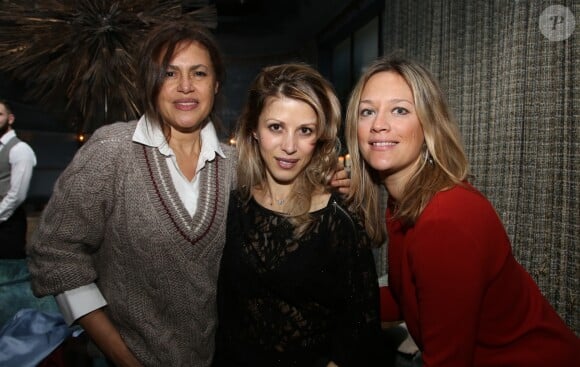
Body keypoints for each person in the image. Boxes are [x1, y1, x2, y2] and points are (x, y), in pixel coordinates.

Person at [26, 22, 350, 367]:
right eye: (169, 73)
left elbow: (290, 200)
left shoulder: (237, 166)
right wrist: (122, 357)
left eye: (198, 73)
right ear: (151, 83)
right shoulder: (111, 151)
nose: (185, 87)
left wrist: (329, 178)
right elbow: (55, 255)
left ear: (216, 84)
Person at [344, 55, 580, 366]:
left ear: (429, 124)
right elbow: (410, 301)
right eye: (367, 111)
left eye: (399, 110)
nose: (378, 125)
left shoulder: (445, 218)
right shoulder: (404, 202)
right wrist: (332, 299)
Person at [213, 63, 386, 367]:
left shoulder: (339, 220)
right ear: (254, 128)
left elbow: (360, 331)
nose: (289, 147)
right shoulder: (229, 208)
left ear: (319, 137)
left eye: (304, 130)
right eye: (276, 127)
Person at [0, 99, 37, 259]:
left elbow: (17, 195)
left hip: (8, 225)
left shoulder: (20, 149)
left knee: (8, 275)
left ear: (10, 119)